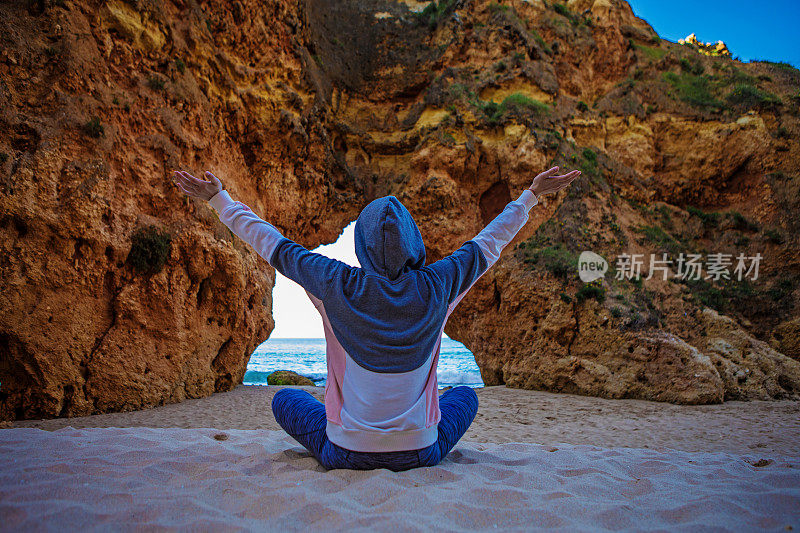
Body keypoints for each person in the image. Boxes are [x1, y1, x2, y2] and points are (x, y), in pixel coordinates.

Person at [172, 165, 580, 471]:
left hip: (345, 452)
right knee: (465, 396)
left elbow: (271, 243)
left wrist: (218, 199)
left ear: (361, 245)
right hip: (421, 453)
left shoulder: (333, 283)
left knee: (286, 398)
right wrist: (530, 195)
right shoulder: (438, 285)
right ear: (414, 242)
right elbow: (490, 241)